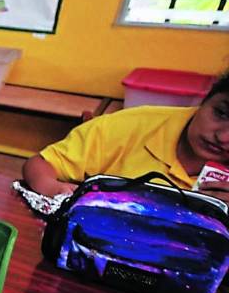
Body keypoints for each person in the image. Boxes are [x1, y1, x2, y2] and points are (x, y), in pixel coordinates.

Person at [23, 69, 229, 200]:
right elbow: (40, 164)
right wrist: (55, 189)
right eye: (221, 113)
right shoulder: (133, 125)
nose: (223, 137)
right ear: (205, 100)